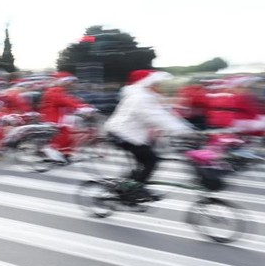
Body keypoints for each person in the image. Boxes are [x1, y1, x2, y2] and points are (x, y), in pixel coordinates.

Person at [103, 70, 195, 202]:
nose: (159, 86)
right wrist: (183, 131)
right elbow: (156, 117)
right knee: (151, 160)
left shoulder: (147, 96)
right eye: (156, 83)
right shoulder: (140, 98)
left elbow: (166, 114)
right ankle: (135, 190)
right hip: (122, 134)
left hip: (129, 133)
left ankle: (128, 187)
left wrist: (188, 129)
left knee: (143, 160)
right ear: (147, 83)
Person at [38, 72, 91, 162]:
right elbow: (65, 101)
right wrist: (80, 107)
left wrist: (84, 106)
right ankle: (52, 149)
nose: (70, 84)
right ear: (62, 81)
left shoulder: (59, 90)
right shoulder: (54, 91)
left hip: (58, 116)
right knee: (65, 132)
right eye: (68, 81)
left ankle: (65, 153)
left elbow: (71, 100)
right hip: (53, 117)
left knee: (70, 131)